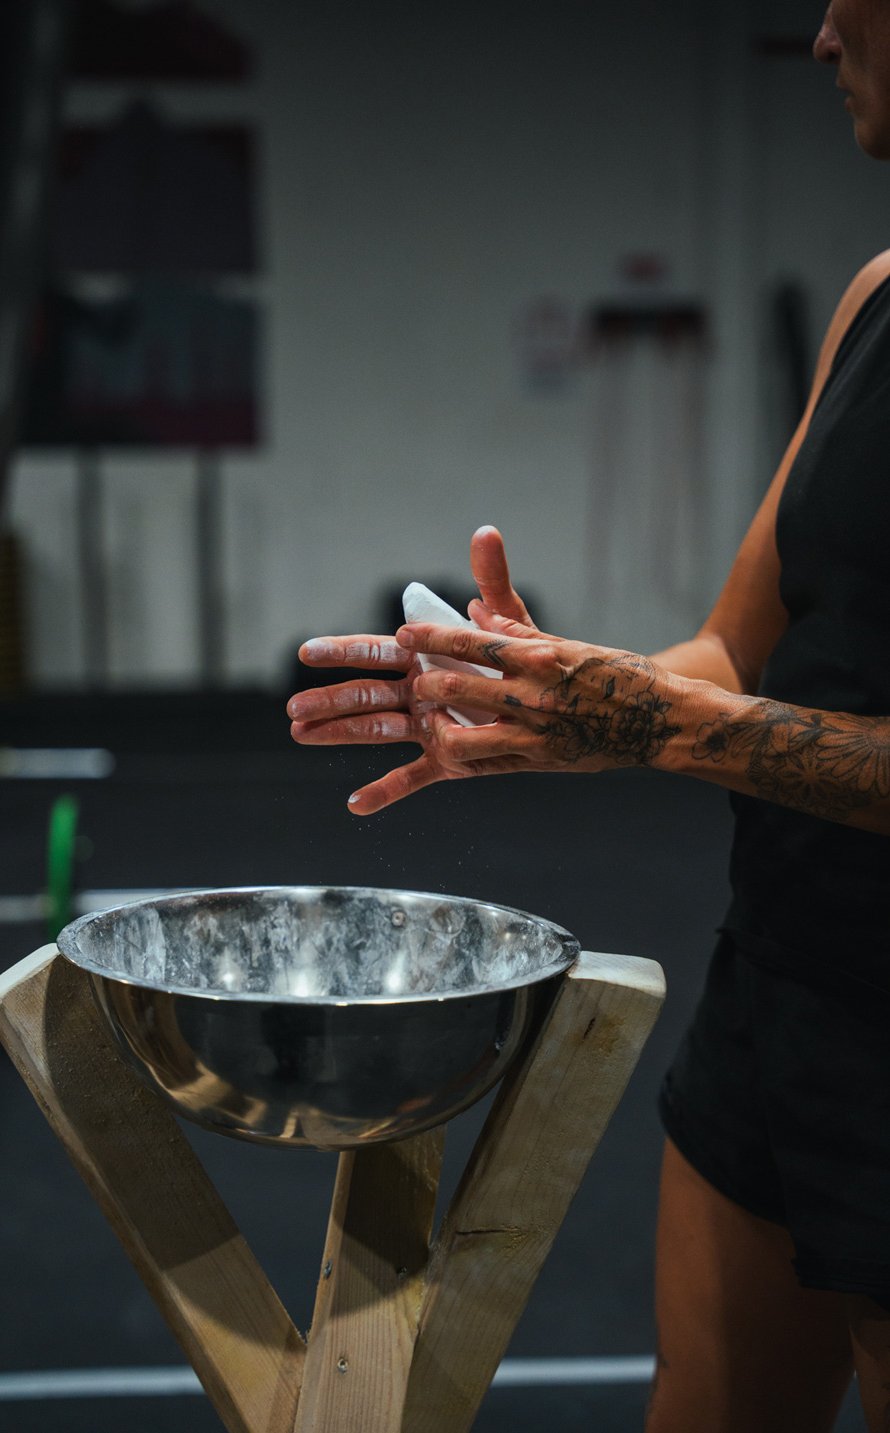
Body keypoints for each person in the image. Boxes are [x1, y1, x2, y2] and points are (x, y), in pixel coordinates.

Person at [287, 5, 890, 1428]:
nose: (816, 37)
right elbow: (734, 654)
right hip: (784, 974)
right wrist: (548, 688)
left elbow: (695, 717)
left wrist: (657, 727)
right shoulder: (875, 305)